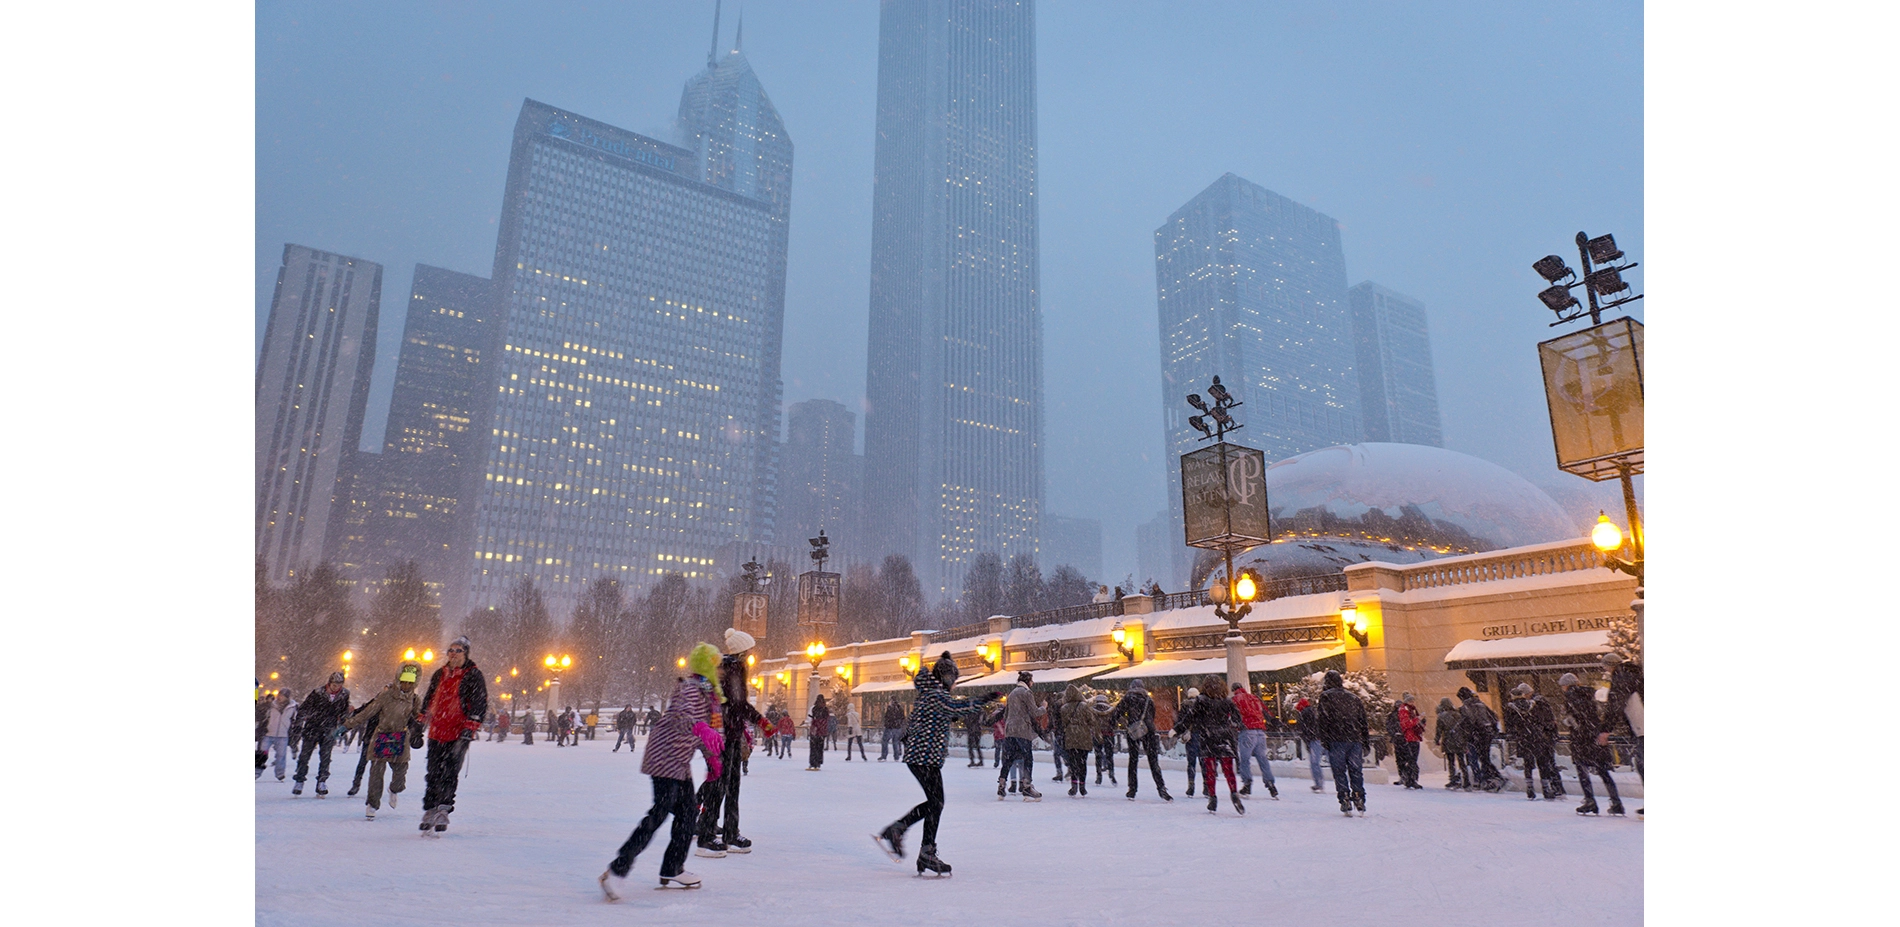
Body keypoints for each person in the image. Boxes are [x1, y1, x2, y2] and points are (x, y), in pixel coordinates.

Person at [599, 643, 724, 899]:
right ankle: (617, 870)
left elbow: (704, 733)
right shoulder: (689, 688)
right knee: (659, 813)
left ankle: (673, 868)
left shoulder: (709, 696)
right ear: (707, 666)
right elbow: (681, 717)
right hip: (664, 757)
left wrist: (712, 759)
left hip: (680, 761)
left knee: (688, 815)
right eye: (717, 665)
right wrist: (701, 729)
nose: (721, 671)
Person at [872, 653, 1002, 876]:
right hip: (924, 758)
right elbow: (957, 707)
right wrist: (984, 699)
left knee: (936, 803)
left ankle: (908, 837)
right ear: (946, 677)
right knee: (936, 803)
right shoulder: (936, 695)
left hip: (922, 757)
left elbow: (925, 719)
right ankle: (917, 845)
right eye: (953, 678)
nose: (954, 683)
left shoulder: (928, 694)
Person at [695, 629, 765, 858]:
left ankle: (727, 832)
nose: (751, 654)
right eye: (749, 650)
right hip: (723, 736)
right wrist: (761, 721)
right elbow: (737, 704)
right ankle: (709, 835)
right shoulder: (731, 669)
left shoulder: (729, 669)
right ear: (742, 651)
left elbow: (736, 705)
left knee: (728, 785)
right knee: (722, 787)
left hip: (728, 735)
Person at [417, 636, 488, 834]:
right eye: (451, 650)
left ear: (466, 653)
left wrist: (471, 725)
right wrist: (420, 721)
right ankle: (430, 808)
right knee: (433, 772)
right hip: (437, 730)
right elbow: (430, 697)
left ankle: (443, 809)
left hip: (458, 733)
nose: (453, 654)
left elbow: (480, 702)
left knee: (449, 772)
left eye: (458, 650)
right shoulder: (440, 673)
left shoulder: (473, 675)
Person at [344, 662, 423, 820]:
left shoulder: (415, 699)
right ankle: (372, 804)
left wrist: (418, 731)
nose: (406, 686)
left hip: (401, 738)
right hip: (382, 736)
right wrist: (346, 726)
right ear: (398, 680)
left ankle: (394, 789)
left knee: (401, 772)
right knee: (376, 773)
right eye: (404, 682)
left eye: (410, 683)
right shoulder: (386, 696)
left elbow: (417, 717)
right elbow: (367, 712)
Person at [1174, 675, 1245, 814]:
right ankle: (1234, 793)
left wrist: (1177, 729)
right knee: (1228, 770)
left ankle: (1212, 798)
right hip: (1224, 737)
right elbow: (1237, 719)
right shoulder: (1227, 701)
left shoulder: (1201, 700)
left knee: (1210, 771)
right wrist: (1230, 725)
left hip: (1208, 738)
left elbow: (1189, 717)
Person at [1559, 673, 1624, 816]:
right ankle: (1616, 802)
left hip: (1581, 739)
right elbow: (1594, 714)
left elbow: (1576, 718)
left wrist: (1569, 720)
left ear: (1567, 685)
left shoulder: (1571, 696)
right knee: (1603, 771)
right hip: (1595, 735)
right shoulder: (1589, 694)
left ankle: (1590, 801)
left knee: (1582, 770)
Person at [1314, 669, 1370, 816]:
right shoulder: (1353, 697)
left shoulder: (1326, 697)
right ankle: (1359, 796)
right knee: (1355, 770)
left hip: (1337, 739)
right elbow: (1363, 721)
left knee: (1339, 771)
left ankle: (1344, 798)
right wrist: (1365, 740)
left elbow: (1323, 720)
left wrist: (1325, 739)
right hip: (1355, 739)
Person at [290, 672, 352, 797]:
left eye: (338, 685)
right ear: (329, 683)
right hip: (313, 727)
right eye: (334, 685)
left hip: (329, 728)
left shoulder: (344, 694)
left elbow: (343, 711)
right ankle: (299, 780)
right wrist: (298, 723)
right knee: (305, 755)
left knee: (325, 757)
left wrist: (344, 724)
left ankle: (322, 781)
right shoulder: (318, 692)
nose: (336, 687)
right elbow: (304, 708)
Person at [1108, 679, 1171, 801]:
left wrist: (1113, 724)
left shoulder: (1128, 698)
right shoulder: (1148, 699)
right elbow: (1152, 715)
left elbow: (1117, 712)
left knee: (1133, 760)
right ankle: (1161, 788)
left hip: (1134, 730)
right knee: (1153, 761)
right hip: (1148, 730)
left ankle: (1132, 789)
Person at [1504, 683, 1563, 800]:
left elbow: (1510, 725)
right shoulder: (1533, 705)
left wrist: (1517, 733)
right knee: (1543, 763)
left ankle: (1530, 789)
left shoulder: (1510, 708)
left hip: (1524, 738)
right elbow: (1541, 720)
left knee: (1528, 764)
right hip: (1538, 737)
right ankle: (1546, 789)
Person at [1602, 652, 1644, 815]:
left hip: (1643, 727)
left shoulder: (1622, 677)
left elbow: (1615, 704)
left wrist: (1606, 729)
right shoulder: (1635, 674)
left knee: (1643, 764)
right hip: (1641, 727)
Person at [995, 671, 1046, 801]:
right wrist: (1043, 707)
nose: (1033, 683)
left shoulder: (1012, 693)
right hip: (1022, 730)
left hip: (1010, 730)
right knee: (1027, 758)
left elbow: (1006, 715)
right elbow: (1035, 712)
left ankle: (1001, 784)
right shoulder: (1026, 693)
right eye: (1032, 680)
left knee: (1009, 759)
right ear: (1028, 681)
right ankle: (1027, 786)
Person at [1060, 685, 1113, 797]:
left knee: (1073, 763)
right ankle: (1082, 786)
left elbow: (1063, 723)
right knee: (1082, 762)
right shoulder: (1084, 706)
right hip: (1084, 736)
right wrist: (1098, 736)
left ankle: (1074, 785)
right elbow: (1092, 722)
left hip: (1070, 737)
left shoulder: (1064, 708)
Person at [1229, 682, 1278, 799]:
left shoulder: (1234, 700)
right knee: (1263, 759)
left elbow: (1231, 716)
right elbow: (1265, 711)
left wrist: (1236, 725)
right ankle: (1271, 785)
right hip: (1260, 731)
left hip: (1247, 731)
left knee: (1245, 760)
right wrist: (1273, 720)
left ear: (1233, 690)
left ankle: (1247, 784)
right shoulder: (1254, 698)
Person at [1457, 687, 1504, 790]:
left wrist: (1465, 731)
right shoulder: (1481, 704)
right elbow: (1494, 717)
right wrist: (1493, 729)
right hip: (1487, 733)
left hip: (1475, 734)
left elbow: (1469, 721)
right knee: (1485, 757)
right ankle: (1488, 777)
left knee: (1477, 758)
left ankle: (1485, 778)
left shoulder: (1465, 707)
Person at [259, 689, 296, 781]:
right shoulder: (271, 705)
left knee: (281, 755)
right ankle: (256, 771)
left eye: (282, 696)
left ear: (287, 697)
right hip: (269, 733)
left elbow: (294, 720)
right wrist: (263, 728)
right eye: (279, 695)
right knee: (262, 753)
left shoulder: (293, 707)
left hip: (283, 735)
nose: (279, 697)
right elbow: (264, 717)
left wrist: (292, 731)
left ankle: (280, 773)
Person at [1392, 693, 1426, 789]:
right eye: (1410, 701)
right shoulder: (1404, 710)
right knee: (1412, 760)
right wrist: (1418, 719)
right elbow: (1406, 724)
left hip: (1414, 737)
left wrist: (1421, 722)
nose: (1412, 702)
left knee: (1412, 760)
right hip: (1410, 737)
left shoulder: (1411, 709)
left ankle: (1409, 779)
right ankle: (1411, 779)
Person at [1435, 697, 1468, 789]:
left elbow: (1439, 730)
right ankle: (1466, 779)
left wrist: (1437, 740)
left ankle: (1453, 779)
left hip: (1448, 740)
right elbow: (1464, 729)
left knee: (1451, 761)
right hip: (1459, 740)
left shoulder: (1441, 716)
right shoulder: (1458, 714)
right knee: (1461, 761)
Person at [1294, 696, 1325, 792]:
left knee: (1314, 763)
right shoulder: (1314, 711)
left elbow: (1305, 729)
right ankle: (1341, 781)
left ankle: (1319, 784)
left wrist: (1307, 740)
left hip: (1314, 740)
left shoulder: (1304, 714)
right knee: (1332, 761)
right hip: (1321, 738)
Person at [1090, 693, 1118, 787]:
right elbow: (1115, 723)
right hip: (1109, 735)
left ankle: (1099, 776)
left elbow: (1090, 722)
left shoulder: (1092, 710)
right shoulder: (1111, 711)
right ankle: (1111, 774)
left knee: (1098, 755)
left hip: (1097, 735)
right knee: (1109, 756)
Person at [1179, 687, 1202, 796]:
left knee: (1191, 763)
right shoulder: (1202, 705)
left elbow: (1181, 721)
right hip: (1202, 735)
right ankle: (1206, 786)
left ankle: (1191, 786)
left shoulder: (1185, 705)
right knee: (1204, 762)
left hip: (1190, 736)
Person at [806, 695, 830, 770]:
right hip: (822, 731)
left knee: (813, 747)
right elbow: (827, 719)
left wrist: (810, 725)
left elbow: (809, 719)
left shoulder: (814, 708)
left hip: (815, 730)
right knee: (820, 747)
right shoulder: (825, 709)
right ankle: (818, 762)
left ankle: (812, 762)